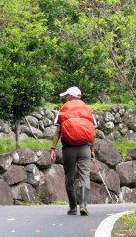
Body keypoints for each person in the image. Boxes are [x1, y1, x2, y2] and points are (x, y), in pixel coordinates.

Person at [50, 86, 96, 216]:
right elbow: (93, 133)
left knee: (69, 177)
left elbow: (58, 131)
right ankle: (83, 205)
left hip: (69, 148)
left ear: (70, 96)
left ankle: (72, 208)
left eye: (66, 96)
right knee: (84, 176)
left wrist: (53, 149)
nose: (65, 98)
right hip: (84, 148)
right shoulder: (88, 109)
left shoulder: (64, 109)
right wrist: (92, 150)